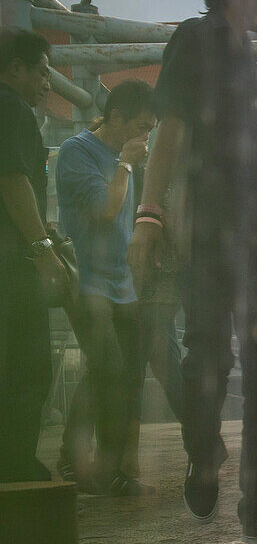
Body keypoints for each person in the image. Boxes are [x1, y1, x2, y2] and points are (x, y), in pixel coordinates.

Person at [130, 0, 257, 544]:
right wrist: (149, 216)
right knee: (207, 354)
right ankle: (203, 452)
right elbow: (170, 131)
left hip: (248, 239)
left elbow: (256, 155)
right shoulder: (196, 40)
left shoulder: (245, 57)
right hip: (202, 229)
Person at [56, 80, 157, 495]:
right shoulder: (77, 151)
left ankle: (108, 466)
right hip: (89, 281)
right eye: (140, 126)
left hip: (123, 283)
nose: (145, 137)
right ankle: (71, 459)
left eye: (150, 129)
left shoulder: (122, 157)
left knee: (127, 375)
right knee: (105, 370)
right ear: (116, 117)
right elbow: (105, 210)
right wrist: (128, 164)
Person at [0, 28, 70, 483]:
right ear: (16, 69)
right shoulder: (12, 109)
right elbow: (12, 180)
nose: (47, 83)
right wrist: (43, 249)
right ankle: (16, 471)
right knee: (29, 369)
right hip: (12, 268)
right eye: (41, 72)